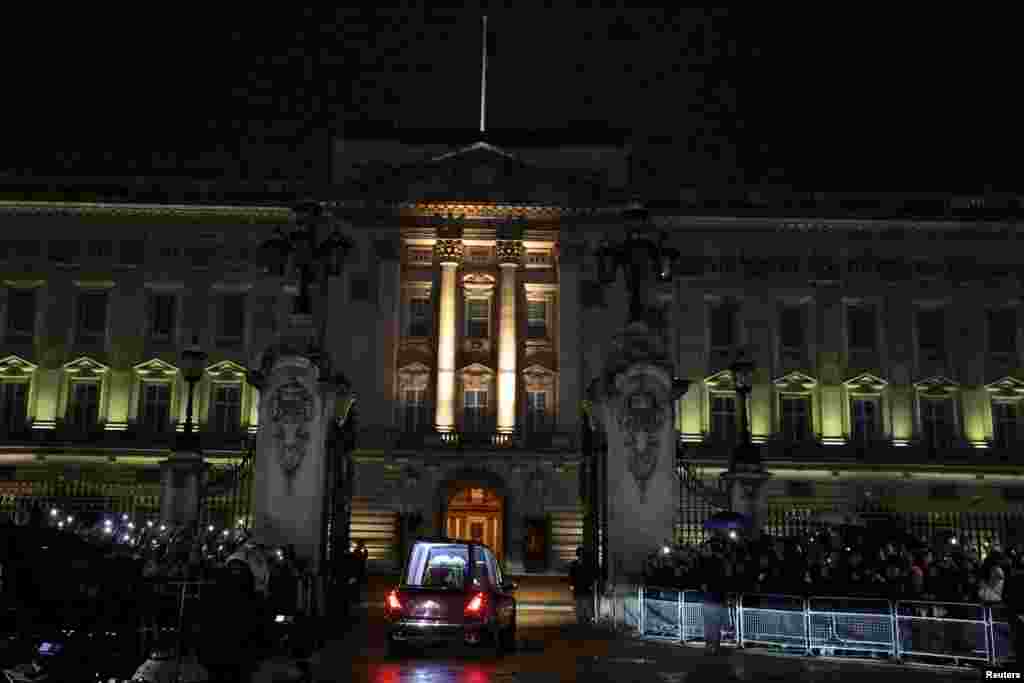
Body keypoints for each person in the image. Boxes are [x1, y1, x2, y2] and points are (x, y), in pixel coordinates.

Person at [700, 549, 728, 655]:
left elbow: (703, 587)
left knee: (708, 626)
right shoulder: (721, 574)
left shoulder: (706, 573)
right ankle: (714, 647)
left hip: (708, 601)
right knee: (715, 627)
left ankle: (709, 646)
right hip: (716, 602)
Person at [569, 547, 594, 625]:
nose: (581, 556)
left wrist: (590, 584)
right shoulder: (575, 564)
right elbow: (571, 575)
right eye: (580, 555)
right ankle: (581, 618)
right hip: (579, 586)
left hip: (584, 586)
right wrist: (571, 584)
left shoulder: (586, 564)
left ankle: (586, 617)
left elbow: (590, 575)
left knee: (584, 602)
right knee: (580, 602)